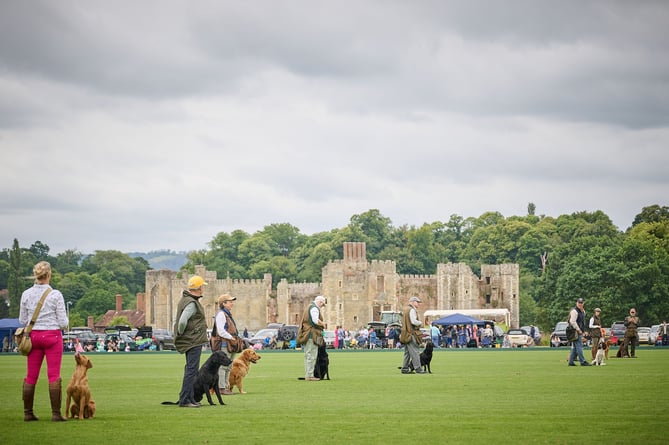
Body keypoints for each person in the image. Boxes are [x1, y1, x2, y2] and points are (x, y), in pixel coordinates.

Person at [19, 261, 69, 421]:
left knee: (31, 376)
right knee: (53, 375)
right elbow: (63, 323)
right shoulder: (55, 295)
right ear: (49, 275)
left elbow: (22, 320)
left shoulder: (26, 294)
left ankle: (28, 413)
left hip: (33, 337)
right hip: (52, 337)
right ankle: (55, 414)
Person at [173, 275, 209, 407]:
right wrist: (183, 333)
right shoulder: (192, 303)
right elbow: (182, 321)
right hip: (193, 341)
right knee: (192, 371)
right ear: (199, 288)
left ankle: (189, 397)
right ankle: (185, 400)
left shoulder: (185, 299)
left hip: (191, 340)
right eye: (202, 287)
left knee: (190, 369)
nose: (203, 289)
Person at [214, 294, 240, 395]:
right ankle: (221, 388)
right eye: (230, 301)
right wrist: (232, 338)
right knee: (223, 366)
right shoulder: (221, 314)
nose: (232, 303)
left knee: (229, 366)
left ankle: (225, 386)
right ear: (223, 304)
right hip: (225, 344)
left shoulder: (227, 314)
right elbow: (221, 331)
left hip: (230, 344)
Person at [296, 295, 327, 380]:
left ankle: (308, 374)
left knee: (307, 355)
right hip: (311, 334)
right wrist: (323, 324)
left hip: (307, 334)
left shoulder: (309, 307)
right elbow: (315, 320)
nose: (322, 306)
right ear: (320, 302)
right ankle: (310, 375)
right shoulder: (314, 308)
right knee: (312, 356)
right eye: (322, 304)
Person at [400, 296, 425, 374]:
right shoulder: (412, 310)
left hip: (406, 334)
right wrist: (420, 323)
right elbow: (413, 321)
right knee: (415, 352)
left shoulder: (405, 310)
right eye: (417, 302)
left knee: (407, 353)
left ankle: (404, 369)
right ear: (413, 302)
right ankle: (418, 369)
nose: (418, 304)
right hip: (411, 334)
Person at [568, 297, 592, 366]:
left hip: (579, 331)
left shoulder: (583, 311)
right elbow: (572, 321)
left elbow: (582, 322)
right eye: (579, 303)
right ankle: (582, 361)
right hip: (575, 331)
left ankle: (571, 362)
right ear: (576, 303)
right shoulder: (574, 311)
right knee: (579, 346)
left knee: (575, 347)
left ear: (583, 303)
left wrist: (583, 330)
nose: (580, 304)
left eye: (581, 303)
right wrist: (578, 329)